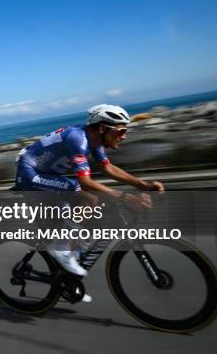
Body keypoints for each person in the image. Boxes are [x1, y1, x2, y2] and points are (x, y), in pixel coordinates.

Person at [14, 104, 165, 302]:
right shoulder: (78, 138)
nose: (124, 136)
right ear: (103, 128)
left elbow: (108, 168)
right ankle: (61, 248)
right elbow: (85, 181)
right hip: (30, 175)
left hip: (49, 175)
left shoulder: (94, 141)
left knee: (89, 215)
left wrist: (143, 185)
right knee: (87, 196)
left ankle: (68, 276)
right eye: (121, 131)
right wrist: (126, 197)